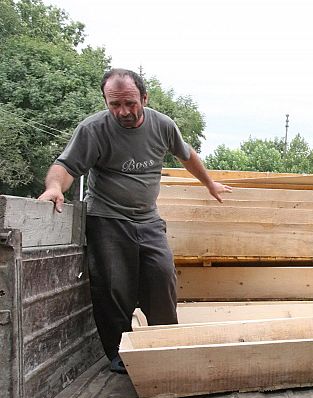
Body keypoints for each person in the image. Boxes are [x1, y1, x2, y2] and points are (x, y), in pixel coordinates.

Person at [38, 68, 231, 373]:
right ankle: (120, 354)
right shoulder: (93, 130)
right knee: (114, 287)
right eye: (114, 105)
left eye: (130, 103)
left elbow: (186, 153)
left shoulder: (162, 125)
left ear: (144, 97)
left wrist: (209, 182)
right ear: (106, 101)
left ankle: (166, 344)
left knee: (162, 276)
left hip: (148, 219)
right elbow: (65, 166)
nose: (123, 112)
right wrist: (52, 187)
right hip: (107, 218)